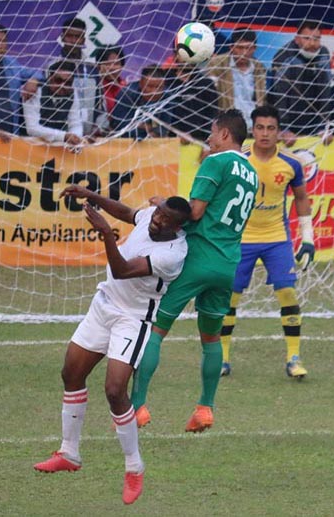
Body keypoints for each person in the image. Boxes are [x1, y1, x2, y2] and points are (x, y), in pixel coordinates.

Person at [33, 188, 192, 506]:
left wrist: (106, 232)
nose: (156, 221)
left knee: (115, 389)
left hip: (132, 319)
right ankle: (69, 452)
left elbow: (121, 270)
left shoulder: (173, 255)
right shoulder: (150, 216)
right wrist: (90, 194)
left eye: (165, 220)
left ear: (177, 227)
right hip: (104, 305)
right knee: (71, 373)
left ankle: (134, 468)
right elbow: (125, 212)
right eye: (158, 214)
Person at [129, 109, 258, 433]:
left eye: (212, 133)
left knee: (156, 328)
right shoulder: (252, 173)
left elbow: (196, 212)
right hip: (229, 262)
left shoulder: (215, 162)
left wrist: (164, 205)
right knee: (211, 337)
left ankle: (137, 407)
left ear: (226, 134)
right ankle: (205, 408)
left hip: (198, 256)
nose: (209, 139)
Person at [219, 105, 313, 379]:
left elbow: (301, 198)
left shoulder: (292, 163)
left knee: (288, 293)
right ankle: (223, 358)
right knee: (230, 297)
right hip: (241, 238)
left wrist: (307, 239)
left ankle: (293, 358)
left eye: (271, 128)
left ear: (279, 132)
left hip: (276, 239)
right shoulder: (238, 159)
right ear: (252, 130)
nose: (265, 133)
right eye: (260, 127)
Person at [267, 20, 332, 145]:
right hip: (289, 122)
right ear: (297, 39)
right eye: (307, 38)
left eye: (316, 39)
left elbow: (325, 91)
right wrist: (284, 129)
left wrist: (324, 126)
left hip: (314, 121)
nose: (312, 43)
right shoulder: (284, 55)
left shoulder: (324, 53)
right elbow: (280, 95)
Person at [207, 29, 267, 125]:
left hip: (253, 125)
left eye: (248, 48)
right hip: (228, 125)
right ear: (231, 47)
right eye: (240, 48)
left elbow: (262, 100)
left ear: (254, 48)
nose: (244, 52)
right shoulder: (217, 64)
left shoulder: (259, 67)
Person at [23, 60, 84, 145]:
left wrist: (75, 137)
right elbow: (32, 128)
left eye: (68, 83)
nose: (62, 85)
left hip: (57, 145)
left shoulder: (72, 94)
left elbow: (75, 123)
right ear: (50, 78)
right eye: (58, 80)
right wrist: (64, 136)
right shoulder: (34, 91)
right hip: (29, 145)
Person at [55, 17, 98, 135]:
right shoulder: (52, 67)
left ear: (83, 40)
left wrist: (99, 127)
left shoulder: (92, 69)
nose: (73, 40)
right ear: (62, 37)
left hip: (89, 136)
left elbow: (100, 104)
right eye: (69, 36)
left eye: (77, 36)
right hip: (60, 136)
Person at [164, 57, 220, 143]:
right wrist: (177, 133)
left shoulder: (206, 83)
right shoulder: (165, 81)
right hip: (170, 142)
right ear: (175, 55)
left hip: (201, 143)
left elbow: (212, 115)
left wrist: (206, 140)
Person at [110, 65, 170, 140]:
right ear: (141, 83)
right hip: (124, 141)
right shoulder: (127, 94)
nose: (154, 92)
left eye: (159, 87)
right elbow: (120, 126)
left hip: (153, 141)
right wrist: (147, 127)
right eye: (150, 86)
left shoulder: (168, 96)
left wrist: (152, 130)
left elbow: (164, 127)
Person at [89, 46, 127, 137]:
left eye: (117, 63)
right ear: (98, 65)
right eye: (107, 63)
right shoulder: (92, 88)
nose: (112, 68)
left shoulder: (127, 88)